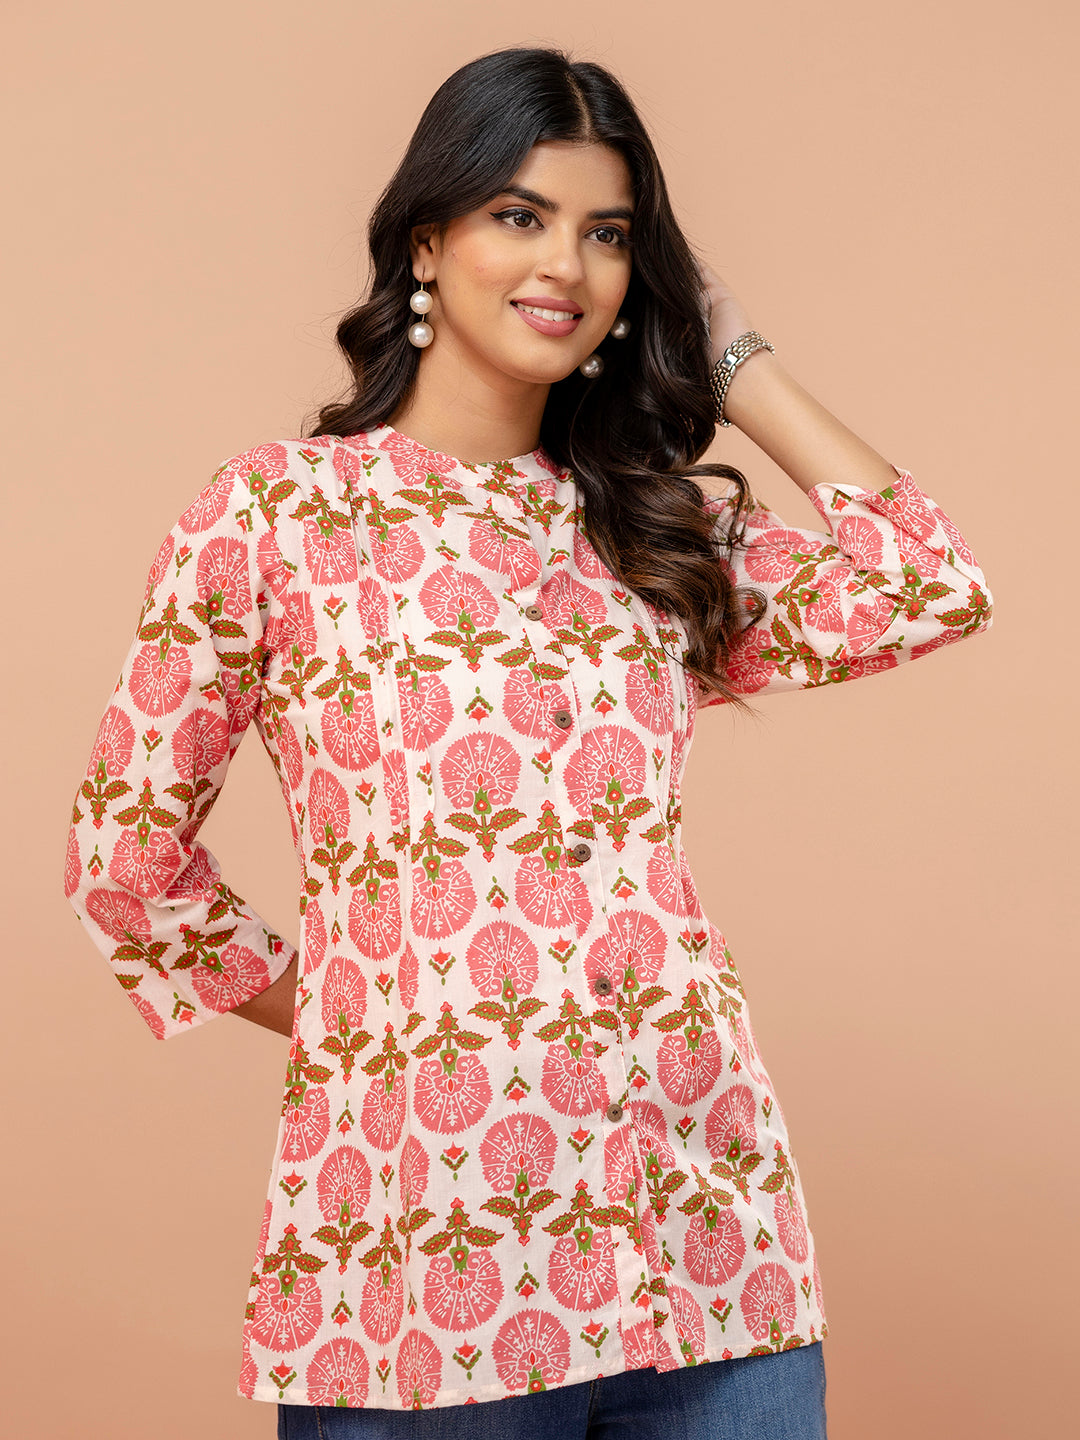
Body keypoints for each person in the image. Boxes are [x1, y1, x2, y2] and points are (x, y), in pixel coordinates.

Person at [63, 44, 993, 1440]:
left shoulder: (652, 529)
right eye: (520, 214)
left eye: (608, 233)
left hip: (707, 1244)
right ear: (425, 242)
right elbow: (125, 867)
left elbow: (930, 584)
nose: (566, 263)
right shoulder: (276, 519)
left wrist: (735, 358)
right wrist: (363, 1015)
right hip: (430, 1263)